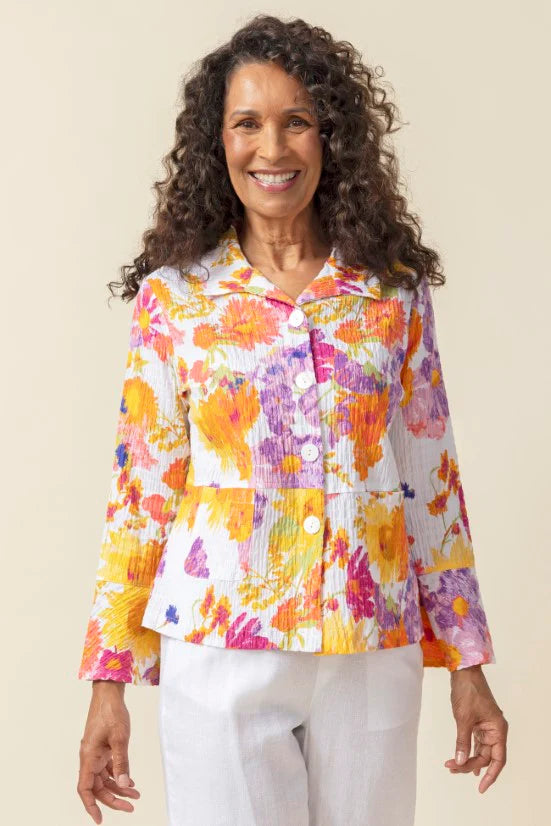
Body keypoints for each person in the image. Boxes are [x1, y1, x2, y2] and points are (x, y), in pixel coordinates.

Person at [76, 13, 508, 826]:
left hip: (368, 646)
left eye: (296, 121)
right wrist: (109, 679)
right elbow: (141, 494)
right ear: (217, 142)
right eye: (247, 123)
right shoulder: (175, 299)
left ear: (329, 137)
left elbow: (431, 480)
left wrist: (467, 661)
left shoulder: (391, 291)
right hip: (218, 647)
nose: (271, 148)